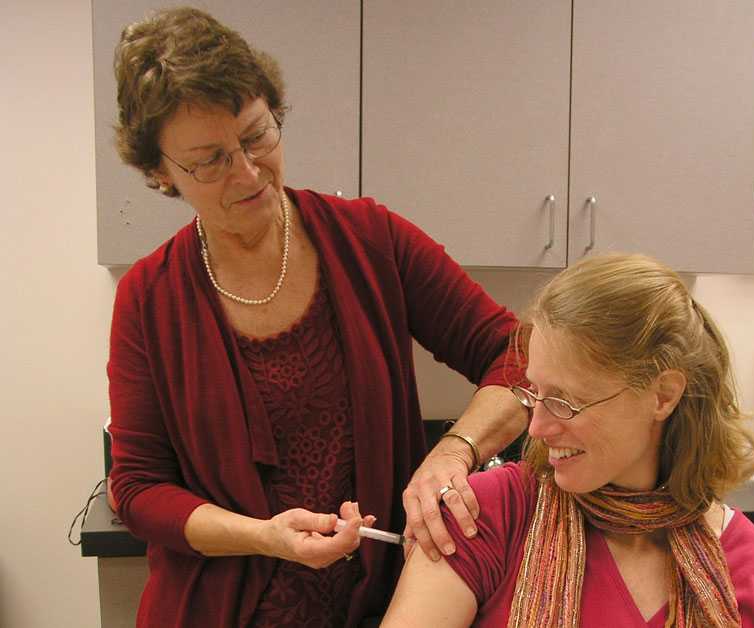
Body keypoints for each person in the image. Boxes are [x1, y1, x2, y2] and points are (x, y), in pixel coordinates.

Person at [105, 7, 526, 627]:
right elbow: (138, 490)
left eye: (257, 136)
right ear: (160, 172)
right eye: (211, 160)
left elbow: (518, 355)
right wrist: (263, 536)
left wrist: (454, 451)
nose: (248, 172)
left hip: (380, 610)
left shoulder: (371, 242)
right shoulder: (149, 299)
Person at [383, 253, 754, 627]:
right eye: (536, 393)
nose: (537, 427)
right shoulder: (484, 514)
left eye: (565, 402)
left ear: (662, 396)